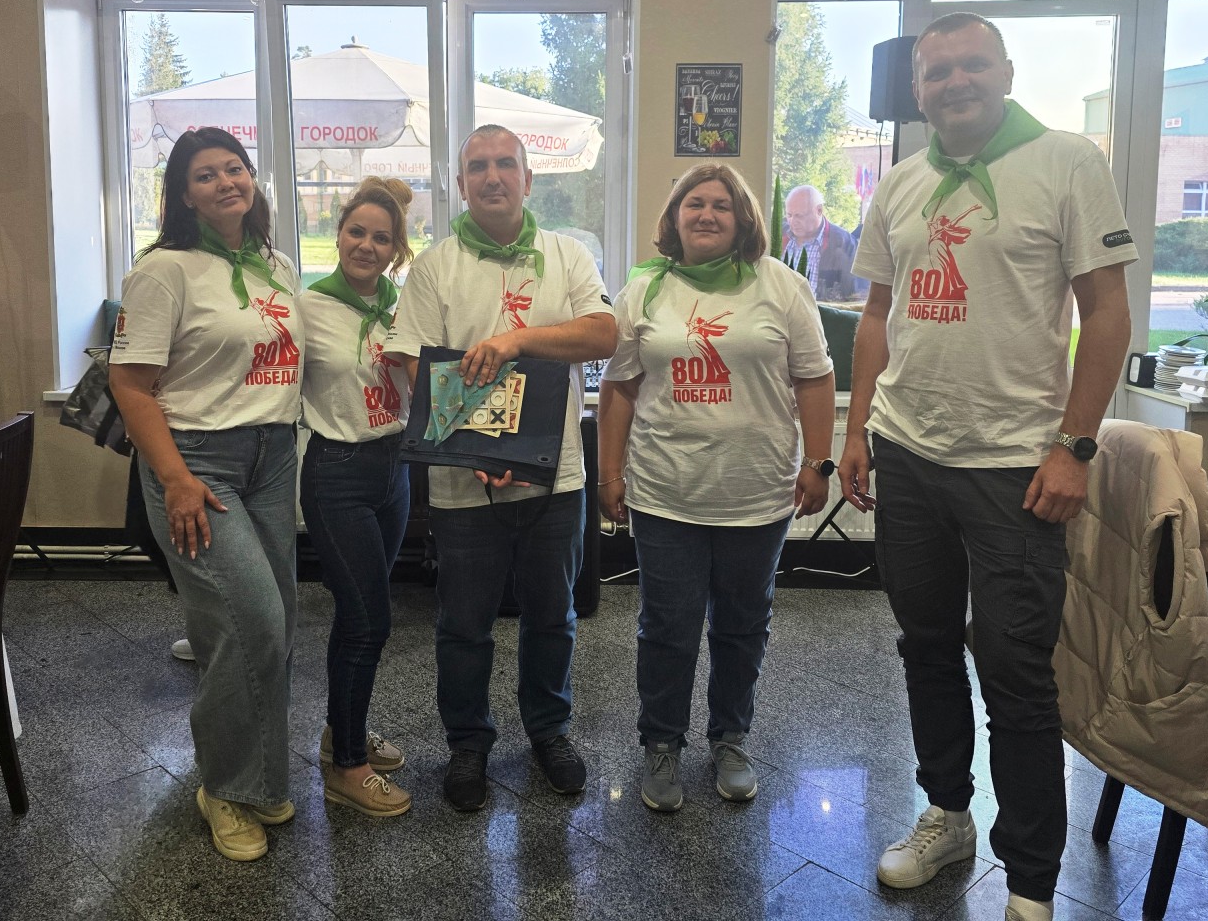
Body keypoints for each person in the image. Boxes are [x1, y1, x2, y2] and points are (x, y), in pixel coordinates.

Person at [836, 13, 1134, 921]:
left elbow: (1107, 314)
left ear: (1005, 72)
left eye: (972, 66)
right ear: (916, 89)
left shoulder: (1067, 162)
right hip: (909, 452)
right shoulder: (902, 181)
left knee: (1015, 670)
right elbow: (878, 314)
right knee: (925, 645)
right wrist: (858, 430)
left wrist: (1074, 446)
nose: (955, 83)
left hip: (1016, 466)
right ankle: (947, 813)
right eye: (937, 72)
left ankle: (1031, 877)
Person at [383, 123, 616, 812]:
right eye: (478, 167)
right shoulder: (435, 267)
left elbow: (603, 332)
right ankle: (468, 743)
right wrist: (478, 450)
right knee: (464, 624)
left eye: (505, 164)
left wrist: (515, 340)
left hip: (555, 475)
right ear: (461, 184)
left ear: (528, 179)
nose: (492, 176)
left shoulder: (567, 254)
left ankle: (549, 731)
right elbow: (411, 361)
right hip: (464, 482)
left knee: (554, 615)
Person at [599, 164, 834, 812]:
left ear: (743, 219)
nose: (706, 214)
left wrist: (819, 463)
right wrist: (610, 472)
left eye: (721, 206)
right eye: (694, 203)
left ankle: (730, 738)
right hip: (665, 492)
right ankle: (662, 742)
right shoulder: (645, 290)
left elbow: (814, 378)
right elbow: (620, 388)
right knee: (666, 628)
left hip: (756, 494)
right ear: (675, 217)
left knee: (742, 626)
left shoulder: (781, 285)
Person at [109, 129, 303, 863]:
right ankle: (224, 787)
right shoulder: (164, 270)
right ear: (183, 195)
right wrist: (175, 479)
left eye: (235, 168)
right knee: (248, 622)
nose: (226, 181)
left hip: (272, 456)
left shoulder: (276, 264)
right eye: (206, 174)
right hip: (197, 463)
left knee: (279, 623)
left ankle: (263, 778)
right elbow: (129, 385)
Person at [298, 175, 417, 818]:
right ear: (338, 234)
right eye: (356, 232)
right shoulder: (308, 307)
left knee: (356, 616)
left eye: (381, 237)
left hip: (393, 469)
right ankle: (348, 766)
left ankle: (340, 730)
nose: (366, 246)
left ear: (397, 248)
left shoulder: (404, 307)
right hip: (338, 473)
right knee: (370, 620)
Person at [782, 184, 859, 301]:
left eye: (799, 216)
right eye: (789, 215)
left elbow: (852, 295)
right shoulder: (778, 235)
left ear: (819, 210)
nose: (793, 221)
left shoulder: (845, 244)